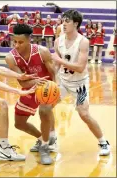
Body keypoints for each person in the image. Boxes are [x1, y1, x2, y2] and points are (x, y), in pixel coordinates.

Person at [52, 9, 110, 156]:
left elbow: (80, 67)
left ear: (76, 24)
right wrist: (51, 79)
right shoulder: (58, 41)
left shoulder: (83, 42)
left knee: (83, 113)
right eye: (62, 20)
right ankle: (49, 139)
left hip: (80, 85)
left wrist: (59, 60)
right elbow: (56, 66)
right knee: (46, 107)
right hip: (63, 82)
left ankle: (103, 142)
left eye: (67, 21)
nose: (63, 24)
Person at [5, 24, 57, 165]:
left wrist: (54, 90)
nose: (16, 45)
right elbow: (22, 83)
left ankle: (45, 148)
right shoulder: (11, 58)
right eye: (14, 41)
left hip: (46, 88)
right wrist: (35, 82)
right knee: (19, 124)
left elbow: (53, 73)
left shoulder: (43, 51)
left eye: (20, 42)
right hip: (29, 89)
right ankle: (43, 139)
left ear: (29, 40)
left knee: (45, 111)